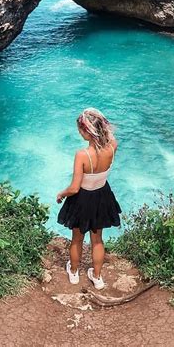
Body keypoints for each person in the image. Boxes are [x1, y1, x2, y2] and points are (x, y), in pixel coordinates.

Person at [57, 108, 122, 290]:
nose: (80, 133)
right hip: (102, 196)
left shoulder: (82, 155)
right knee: (97, 239)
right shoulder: (112, 146)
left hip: (82, 200)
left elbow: (74, 187)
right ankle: (97, 277)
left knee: (77, 239)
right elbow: (109, 138)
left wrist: (61, 194)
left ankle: (74, 273)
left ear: (88, 131)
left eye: (81, 130)